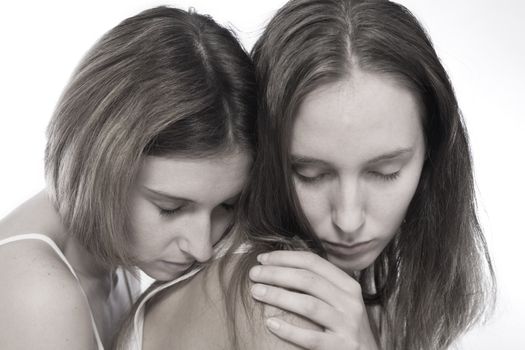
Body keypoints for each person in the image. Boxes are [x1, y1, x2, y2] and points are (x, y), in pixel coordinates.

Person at [119, 1, 495, 349]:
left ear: (432, 155)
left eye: (385, 172)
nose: (348, 220)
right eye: (311, 174)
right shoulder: (278, 307)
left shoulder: (367, 284)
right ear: (264, 155)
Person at [0, 6, 256, 350]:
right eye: (170, 208)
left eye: (226, 205)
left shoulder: (109, 252)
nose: (202, 247)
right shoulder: (37, 294)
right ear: (101, 163)